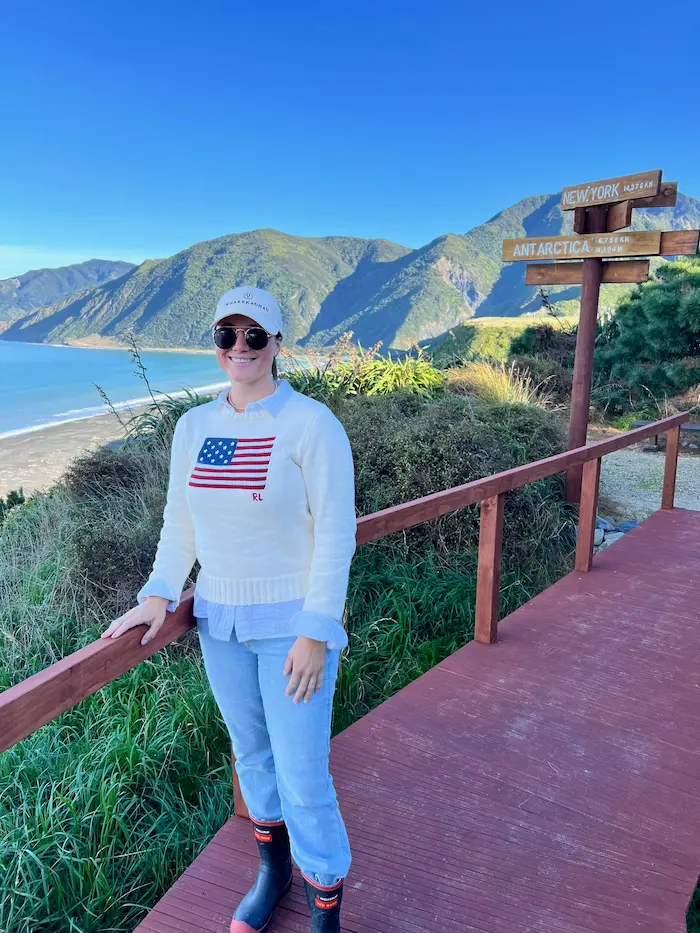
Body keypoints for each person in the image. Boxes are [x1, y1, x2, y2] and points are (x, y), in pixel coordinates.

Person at [101, 285, 357, 933]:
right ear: (215, 343)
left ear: (277, 344)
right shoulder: (194, 427)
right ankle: (274, 873)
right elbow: (180, 524)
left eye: (254, 335)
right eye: (227, 335)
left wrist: (317, 629)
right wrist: (158, 594)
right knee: (253, 757)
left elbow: (337, 532)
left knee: (304, 775)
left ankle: (325, 905)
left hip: (293, 629)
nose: (240, 347)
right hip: (220, 622)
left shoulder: (311, 424)